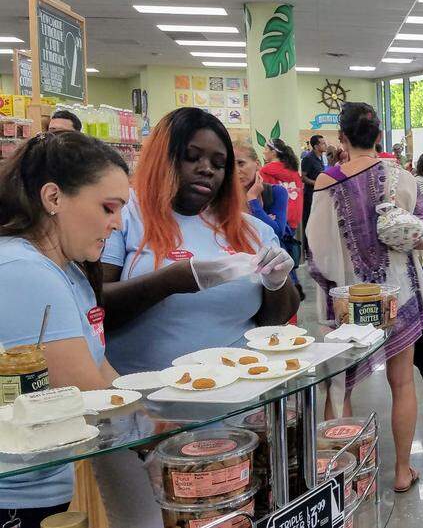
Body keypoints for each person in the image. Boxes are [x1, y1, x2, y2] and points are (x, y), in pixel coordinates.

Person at [99, 108, 298, 525]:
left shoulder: (249, 229)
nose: (206, 169)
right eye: (193, 157)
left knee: (231, 515)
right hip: (145, 417)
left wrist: (280, 284)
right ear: (164, 158)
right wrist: (170, 280)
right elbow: (96, 308)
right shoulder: (124, 218)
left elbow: (272, 325)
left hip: (235, 413)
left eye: (219, 163)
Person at [0, 132, 129, 526]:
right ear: (53, 198)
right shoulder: (24, 271)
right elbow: (86, 395)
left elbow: (101, 369)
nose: (118, 223)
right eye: (109, 207)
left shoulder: (66, 270)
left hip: (42, 484)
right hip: (15, 497)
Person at [307, 102, 423, 493]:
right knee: (403, 384)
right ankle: (399, 471)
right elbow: (422, 231)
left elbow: (318, 251)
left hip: (347, 301)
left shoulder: (325, 183)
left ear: (341, 138)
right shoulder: (401, 177)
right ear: (379, 136)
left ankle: (344, 479)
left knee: (340, 386)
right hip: (401, 295)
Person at [235, 142, 290, 242]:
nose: (236, 171)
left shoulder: (276, 192)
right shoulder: (226, 196)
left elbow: (277, 232)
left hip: (267, 256)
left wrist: (252, 199)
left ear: (257, 164)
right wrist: (265, 218)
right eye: (230, 166)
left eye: (241, 163)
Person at [260, 138, 303, 232]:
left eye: (266, 149)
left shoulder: (265, 171)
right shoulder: (294, 171)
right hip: (294, 218)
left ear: (273, 152)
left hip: (276, 219)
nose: (263, 152)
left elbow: (264, 196)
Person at [301, 134, 327, 231]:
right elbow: (303, 177)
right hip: (310, 195)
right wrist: (316, 183)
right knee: (310, 220)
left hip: (319, 193)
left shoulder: (321, 158)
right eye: (323, 143)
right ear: (316, 146)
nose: (325, 145)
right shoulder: (308, 159)